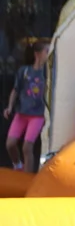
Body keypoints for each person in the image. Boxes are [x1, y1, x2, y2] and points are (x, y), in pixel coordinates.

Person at [4, 39, 49, 172]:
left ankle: (27, 178)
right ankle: (18, 164)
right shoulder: (25, 71)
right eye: (47, 51)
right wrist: (10, 107)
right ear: (37, 54)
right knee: (10, 144)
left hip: (37, 115)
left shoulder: (47, 73)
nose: (48, 54)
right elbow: (16, 90)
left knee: (27, 147)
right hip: (21, 113)